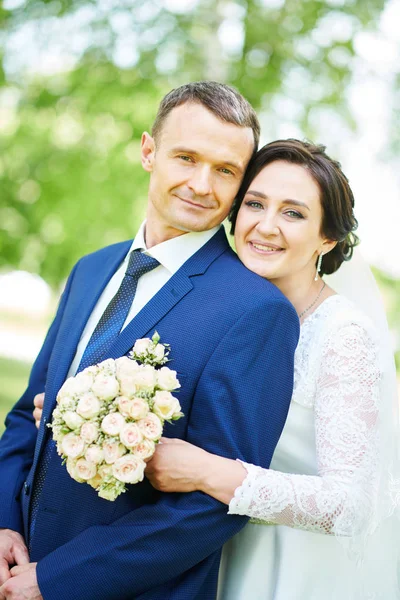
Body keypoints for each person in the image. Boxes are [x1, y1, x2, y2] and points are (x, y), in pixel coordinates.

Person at [0, 83, 300, 600]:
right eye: (186, 157)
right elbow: (27, 415)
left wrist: (56, 580)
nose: (202, 185)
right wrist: (4, 522)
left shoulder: (256, 310)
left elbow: (215, 504)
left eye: (225, 170)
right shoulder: (90, 270)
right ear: (148, 152)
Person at [143, 139, 400, 599]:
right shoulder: (227, 312)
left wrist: (205, 472)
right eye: (255, 204)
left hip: (295, 573)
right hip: (208, 553)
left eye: (293, 213)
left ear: (328, 238)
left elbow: (352, 505)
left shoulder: (344, 337)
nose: (265, 226)